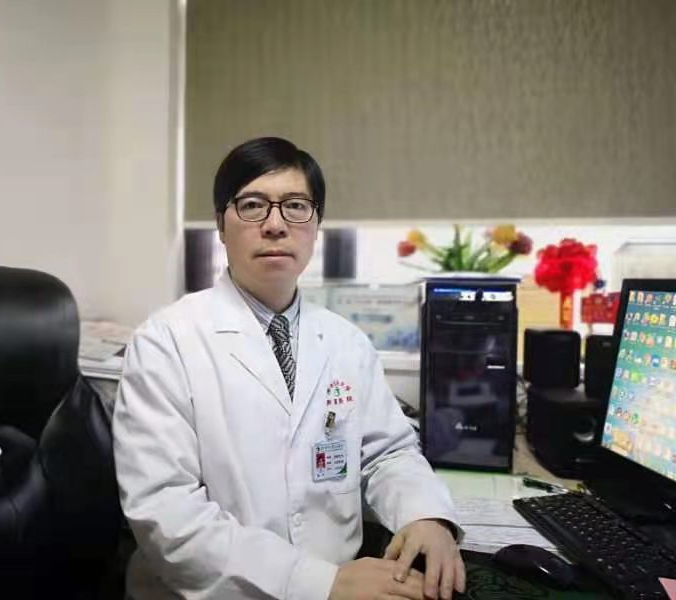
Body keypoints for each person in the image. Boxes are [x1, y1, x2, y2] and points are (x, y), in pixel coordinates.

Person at [113, 137, 466, 600]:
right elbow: (166, 512)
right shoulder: (165, 341)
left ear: (316, 225)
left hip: (345, 584)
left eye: (296, 206)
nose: (276, 225)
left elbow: (388, 452)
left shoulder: (346, 342)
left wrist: (425, 515)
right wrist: (318, 583)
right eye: (253, 205)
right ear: (220, 224)